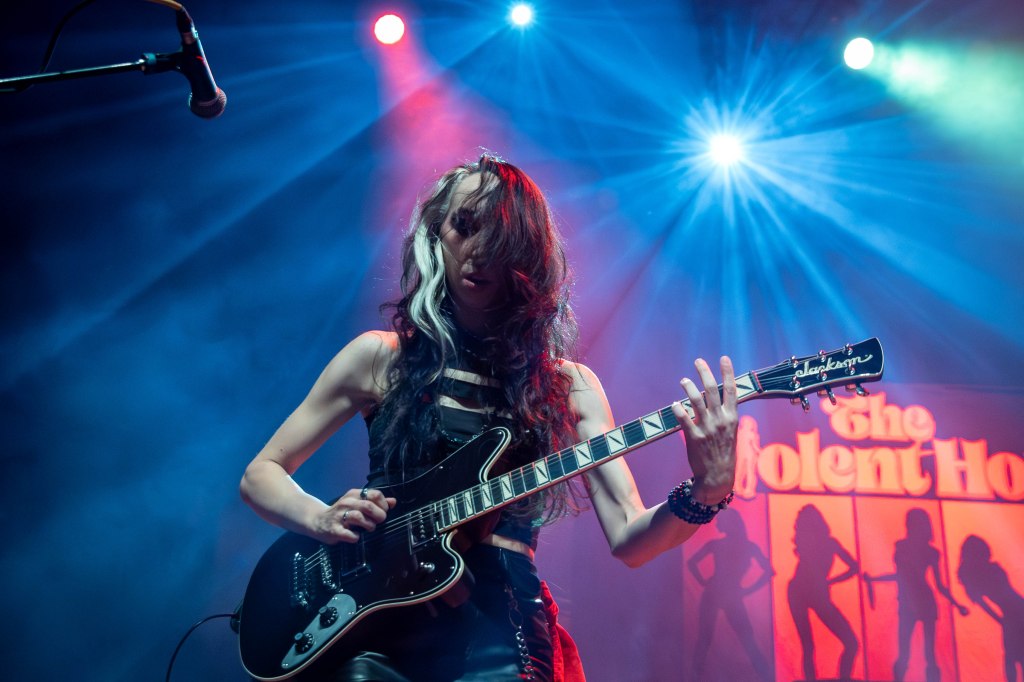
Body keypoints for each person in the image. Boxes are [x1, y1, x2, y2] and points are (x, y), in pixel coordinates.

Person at [239, 154, 739, 682]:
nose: (478, 251)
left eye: (499, 236)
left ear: (527, 252)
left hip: (497, 622)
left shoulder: (569, 386)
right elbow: (261, 474)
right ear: (436, 233)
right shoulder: (379, 358)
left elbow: (631, 538)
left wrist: (707, 491)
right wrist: (318, 517)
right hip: (372, 612)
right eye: (464, 226)